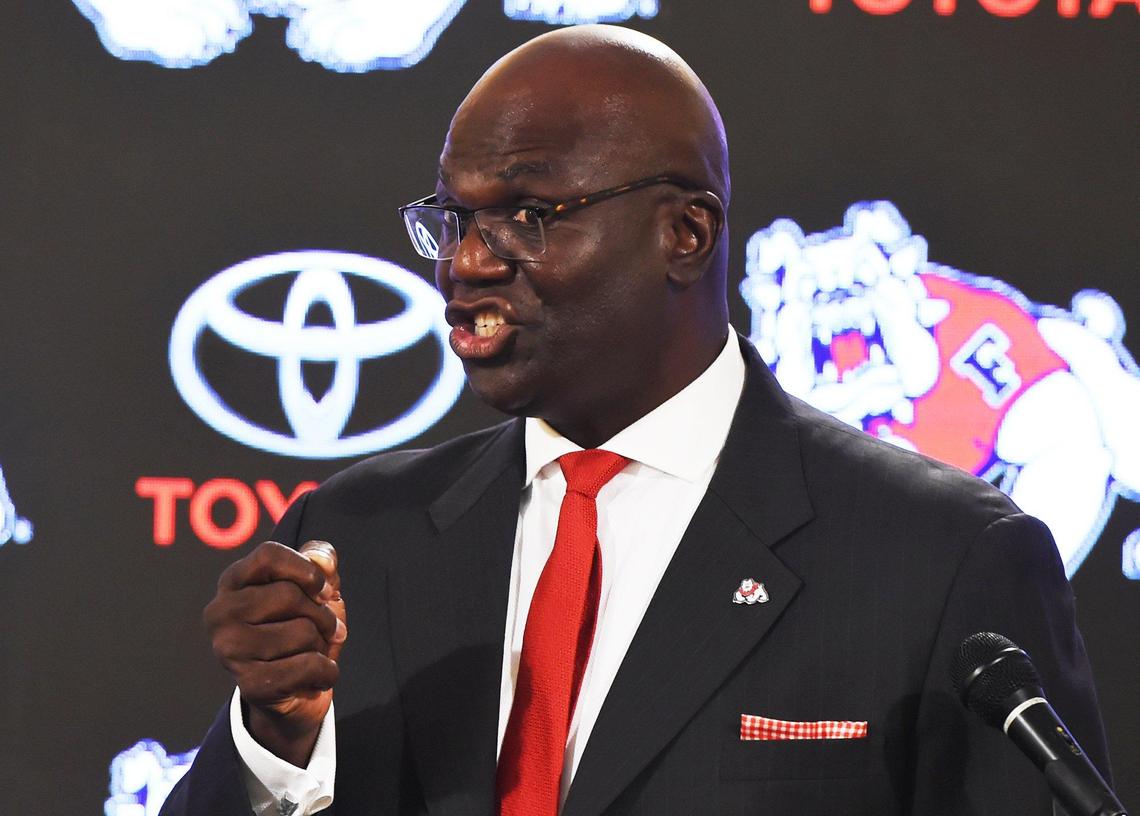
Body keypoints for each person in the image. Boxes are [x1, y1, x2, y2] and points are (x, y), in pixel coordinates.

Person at [160, 25, 1111, 816]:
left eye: (528, 215)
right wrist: (275, 741)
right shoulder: (356, 541)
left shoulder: (938, 559)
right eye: (453, 220)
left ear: (685, 235)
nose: (466, 264)